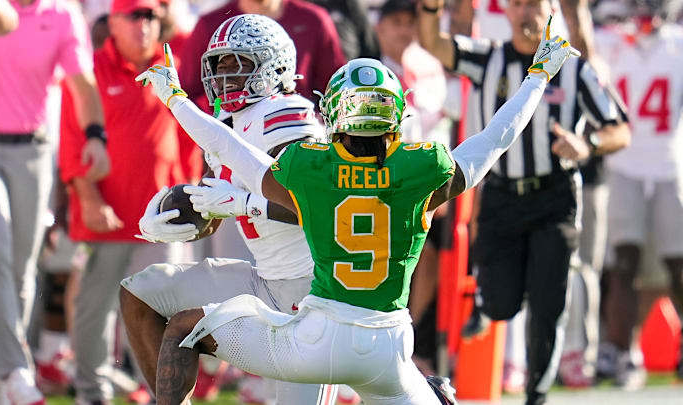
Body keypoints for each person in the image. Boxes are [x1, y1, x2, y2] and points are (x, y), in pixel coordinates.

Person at [134, 14, 579, 404]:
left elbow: (229, 146)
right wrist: (537, 76)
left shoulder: (313, 169)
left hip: (318, 337)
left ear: (332, 114)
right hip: (389, 347)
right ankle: (433, 394)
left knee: (181, 331)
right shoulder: (419, 171)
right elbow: (495, 139)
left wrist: (174, 97)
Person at [418, 0, 631, 403]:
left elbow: (620, 129)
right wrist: (431, 6)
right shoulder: (487, 59)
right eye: (517, 3)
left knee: (548, 304)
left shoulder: (572, 66)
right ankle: (488, 302)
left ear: (551, 9)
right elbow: (433, 42)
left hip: (555, 197)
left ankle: (537, 394)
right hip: (501, 196)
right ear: (507, 13)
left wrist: (587, 145)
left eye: (534, 3)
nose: (526, 11)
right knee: (501, 303)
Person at [119, 14, 338, 405]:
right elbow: (211, 208)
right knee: (140, 294)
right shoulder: (225, 121)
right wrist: (169, 223)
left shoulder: (289, 116)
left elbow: (311, 207)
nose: (225, 76)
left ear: (274, 66)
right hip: (261, 281)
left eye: (238, 64)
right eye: (219, 65)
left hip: (310, 291)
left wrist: (243, 204)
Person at [0, 0, 110, 401]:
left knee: (23, 271)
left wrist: (96, 135)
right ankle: (12, 369)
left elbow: (83, 84)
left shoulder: (62, 15)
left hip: (33, 151)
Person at [57, 0, 194, 402]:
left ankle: (165, 393)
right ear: (112, 22)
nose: (144, 25)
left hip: (164, 217)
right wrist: (88, 198)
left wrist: (190, 192)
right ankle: (91, 390)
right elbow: (72, 140)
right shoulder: (88, 70)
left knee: (168, 312)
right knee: (94, 309)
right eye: (134, 16)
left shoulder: (172, 64)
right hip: (107, 215)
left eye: (151, 16)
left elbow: (188, 135)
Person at [595, 0, 683, 389]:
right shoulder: (611, 42)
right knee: (623, 263)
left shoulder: (677, 43)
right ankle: (623, 351)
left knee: (679, 264)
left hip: (669, 163)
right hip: (624, 164)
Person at [178, 0, 347, 108]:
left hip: (294, 137)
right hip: (231, 144)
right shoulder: (211, 25)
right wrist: (220, 123)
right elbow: (185, 95)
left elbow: (338, 90)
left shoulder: (313, 20)